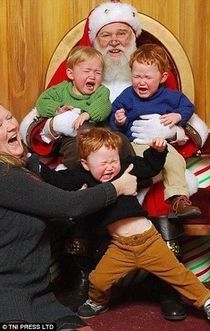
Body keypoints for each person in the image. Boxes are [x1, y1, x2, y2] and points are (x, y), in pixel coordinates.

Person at [19, 1, 208, 320]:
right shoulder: (78, 75)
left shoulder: (147, 72)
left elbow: (193, 123)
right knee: (78, 191)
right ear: (94, 41)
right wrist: (55, 125)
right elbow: (33, 123)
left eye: (123, 33)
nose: (116, 41)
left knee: (162, 196)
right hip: (90, 163)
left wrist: (170, 131)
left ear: (134, 37)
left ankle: (168, 286)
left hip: (140, 160)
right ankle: (83, 278)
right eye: (107, 35)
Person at [33, 126, 210, 331]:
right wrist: (37, 167)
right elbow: (59, 180)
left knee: (180, 276)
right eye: (103, 163)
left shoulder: (126, 168)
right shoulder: (82, 178)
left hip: (149, 240)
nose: (110, 167)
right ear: (85, 164)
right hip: (120, 247)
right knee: (98, 279)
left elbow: (150, 166)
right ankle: (98, 301)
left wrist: (158, 151)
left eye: (113, 160)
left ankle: (208, 303)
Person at [0, 103, 137, 326]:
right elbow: (67, 205)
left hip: (42, 296)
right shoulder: (3, 175)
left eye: (9, 117)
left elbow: (54, 210)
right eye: (0, 124)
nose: (10, 125)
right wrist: (117, 187)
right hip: (7, 296)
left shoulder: (21, 168)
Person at [109, 43, 201, 216]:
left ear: (163, 77)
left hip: (160, 143)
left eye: (147, 77)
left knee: (176, 160)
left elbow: (188, 106)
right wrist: (119, 120)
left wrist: (178, 116)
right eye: (136, 76)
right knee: (135, 163)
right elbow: (113, 119)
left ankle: (178, 199)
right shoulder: (127, 95)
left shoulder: (171, 96)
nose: (141, 81)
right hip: (135, 143)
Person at [35, 46, 111, 168]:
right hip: (71, 138)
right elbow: (42, 102)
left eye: (98, 72)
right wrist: (57, 109)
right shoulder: (61, 90)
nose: (92, 76)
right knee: (74, 150)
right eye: (87, 71)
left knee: (120, 139)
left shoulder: (101, 91)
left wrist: (88, 114)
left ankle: (133, 170)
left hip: (98, 135)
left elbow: (104, 106)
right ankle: (76, 174)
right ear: (71, 74)